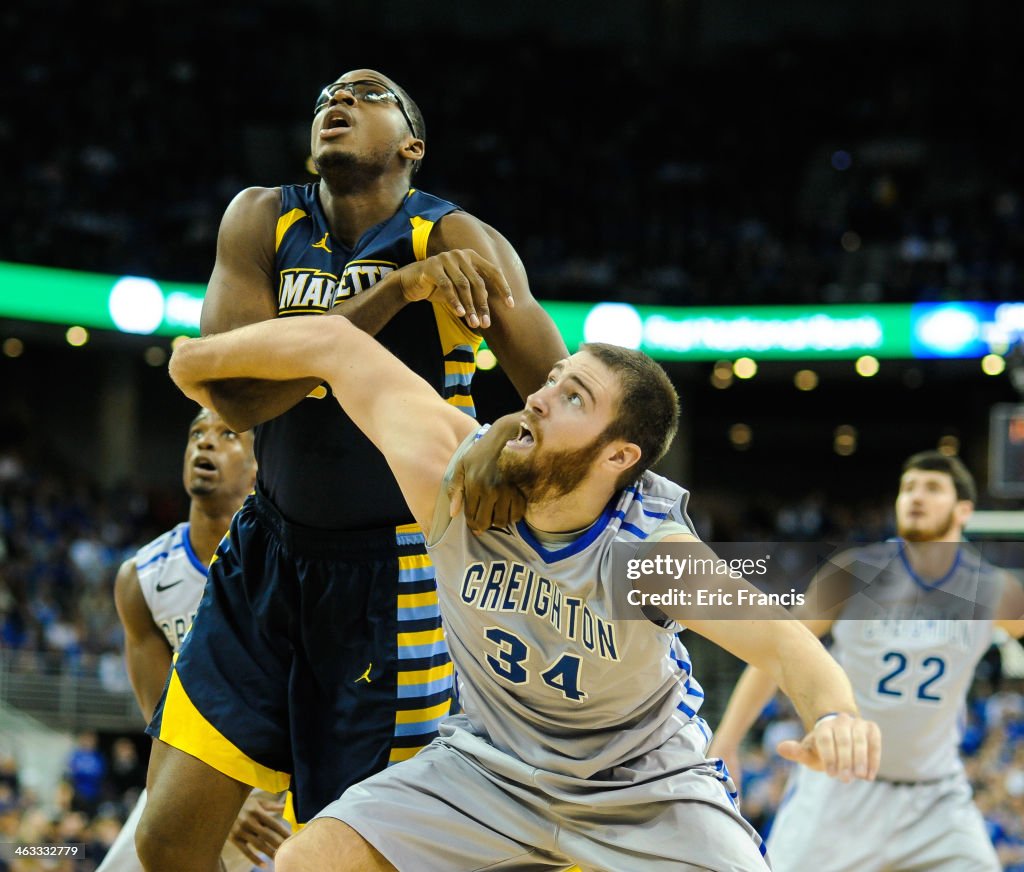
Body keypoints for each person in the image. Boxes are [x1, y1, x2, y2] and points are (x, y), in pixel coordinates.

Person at [166, 311, 883, 871]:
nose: (538, 399)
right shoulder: (455, 474)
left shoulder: (648, 555)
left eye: (573, 397)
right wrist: (193, 360)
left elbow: (788, 644)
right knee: (309, 860)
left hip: (640, 784)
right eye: (553, 380)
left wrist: (836, 716)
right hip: (490, 765)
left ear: (618, 455)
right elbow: (333, 344)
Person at [136, 68, 567, 871]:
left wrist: (514, 469)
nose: (336, 99)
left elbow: (569, 404)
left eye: (368, 93)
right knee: (167, 844)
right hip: (266, 551)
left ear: (413, 145)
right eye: (327, 96)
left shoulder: (458, 242)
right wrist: (396, 295)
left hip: (392, 577)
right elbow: (236, 399)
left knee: (347, 853)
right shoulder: (261, 218)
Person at [709, 451, 1024, 872]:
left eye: (932, 488)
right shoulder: (854, 571)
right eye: (908, 488)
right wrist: (727, 740)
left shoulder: (994, 590)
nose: (915, 496)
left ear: (964, 510)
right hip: (840, 787)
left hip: (936, 797)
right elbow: (780, 648)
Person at [102, 408, 290, 872]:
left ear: (258, 468)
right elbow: (162, 723)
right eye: (196, 433)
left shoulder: (292, 566)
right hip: (189, 774)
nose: (205, 443)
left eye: (227, 435)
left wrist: (248, 792)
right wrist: (216, 804)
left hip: (285, 786)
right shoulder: (142, 579)